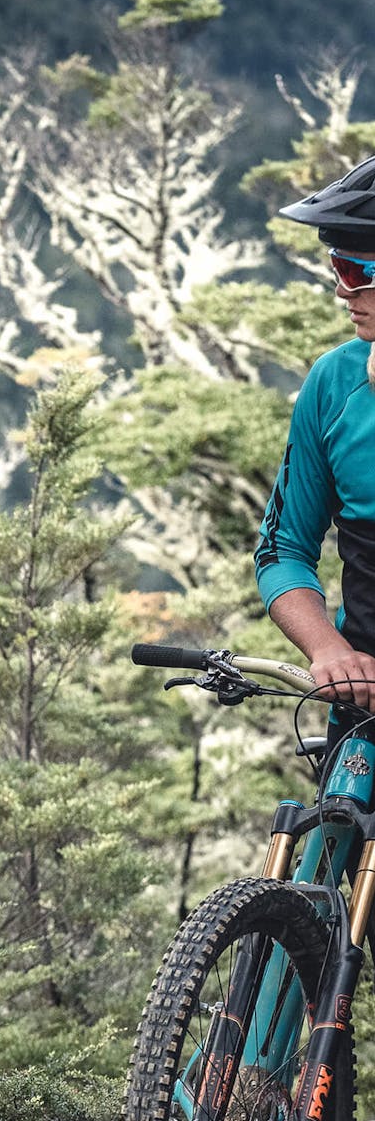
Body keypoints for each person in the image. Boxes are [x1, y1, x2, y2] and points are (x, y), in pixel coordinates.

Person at [255, 155, 375, 724]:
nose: (340, 290)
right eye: (336, 267)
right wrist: (330, 649)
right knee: (334, 817)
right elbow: (282, 548)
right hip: (365, 705)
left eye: (356, 270)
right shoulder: (335, 383)